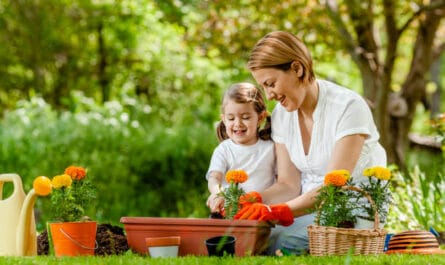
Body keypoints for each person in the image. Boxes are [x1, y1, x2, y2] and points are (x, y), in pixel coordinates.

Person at [234, 31, 387, 255]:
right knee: (254, 238)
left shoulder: (348, 106)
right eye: (264, 87)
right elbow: (288, 184)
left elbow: (334, 188)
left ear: (297, 68)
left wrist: (280, 211)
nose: (269, 95)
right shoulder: (281, 116)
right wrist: (256, 200)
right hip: (305, 211)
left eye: (271, 83)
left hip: (352, 212)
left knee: (283, 242)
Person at [205, 82, 277, 216]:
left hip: (260, 213)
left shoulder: (271, 148)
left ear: (260, 118)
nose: (238, 123)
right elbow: (214, 177)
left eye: (245, 117)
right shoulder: (224, 150)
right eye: (231, 118)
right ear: (224, 119)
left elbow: (281, 182)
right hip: (229, 213)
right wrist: (216, 192)